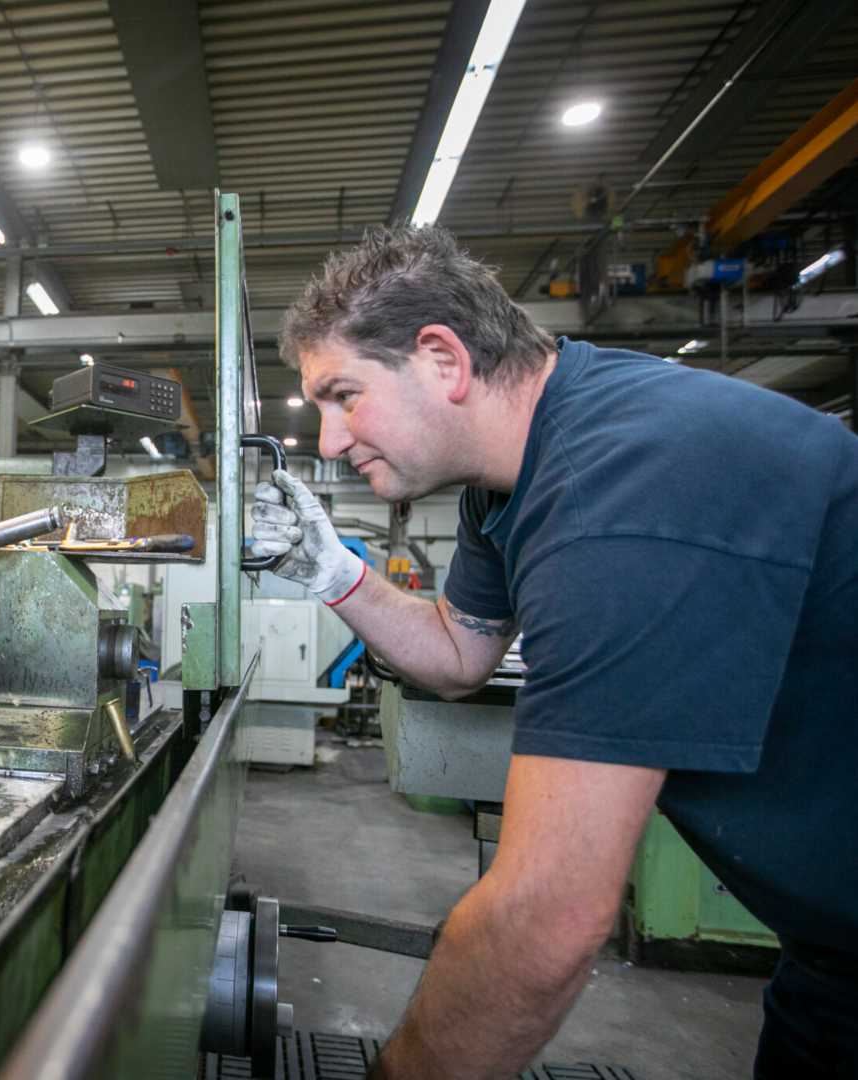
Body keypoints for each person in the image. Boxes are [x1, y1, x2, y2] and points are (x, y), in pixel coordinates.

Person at [248, 225, 858, 1079]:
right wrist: (331, 569)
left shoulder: (625, 485)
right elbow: (461, 654)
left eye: (343, 395)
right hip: (830, 951)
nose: (330, 442)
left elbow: (548, 919)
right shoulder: (511, 482)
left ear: (442, 359)